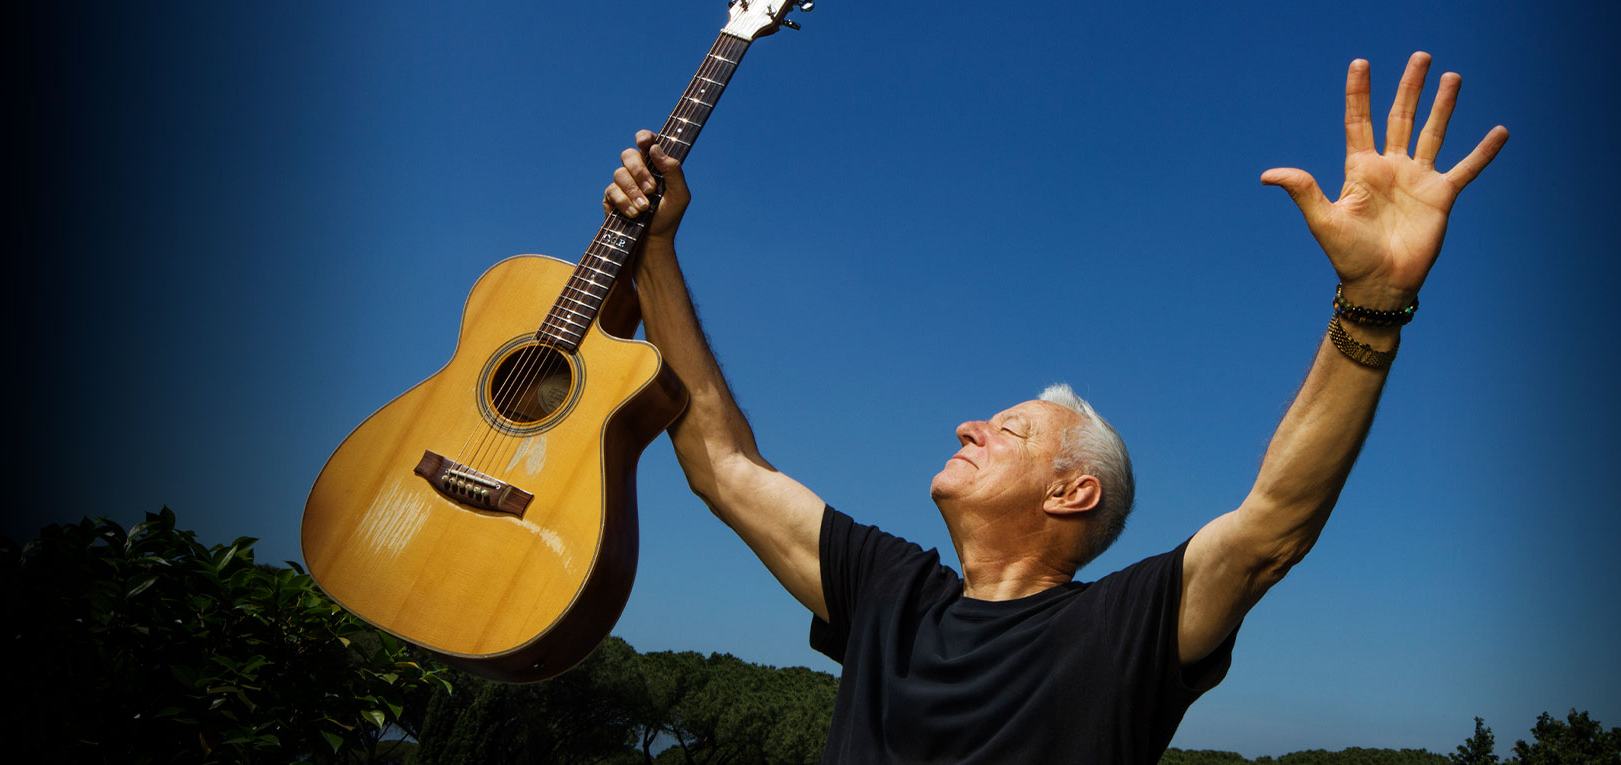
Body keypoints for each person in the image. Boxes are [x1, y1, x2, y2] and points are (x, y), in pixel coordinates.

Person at [602, 52, 1507, 764]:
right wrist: (657, 251)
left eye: (1009, 430)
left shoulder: (1123, 631)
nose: (968, 424)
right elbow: (722, 464)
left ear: (1073, 492)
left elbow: (1274, 523)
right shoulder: (889, 594)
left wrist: (1374, 304)